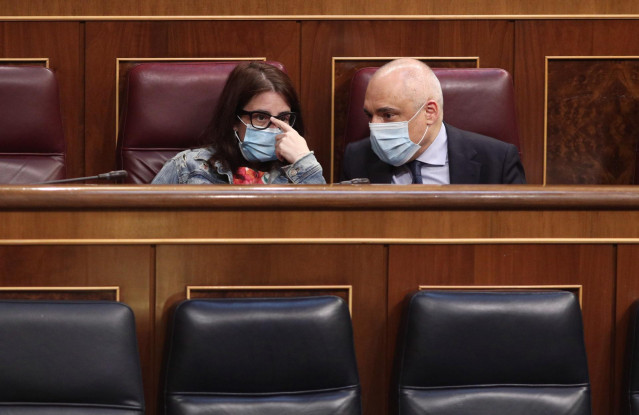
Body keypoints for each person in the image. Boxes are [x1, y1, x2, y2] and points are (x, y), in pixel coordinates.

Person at [340, 58, 526, 184]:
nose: (374, 127)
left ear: (430, 112)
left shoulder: (498, 162)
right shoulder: (357, 158)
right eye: (369, 115)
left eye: (388, 115)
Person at [152, 61, 325, 184]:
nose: (274, 129)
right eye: (261, 117)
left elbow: (325, 227)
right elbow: (145, 227)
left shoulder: (298, 173)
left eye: (283, 118)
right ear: (234, 120)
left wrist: (304, 162)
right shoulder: (187, 167)